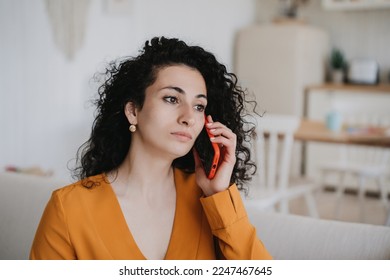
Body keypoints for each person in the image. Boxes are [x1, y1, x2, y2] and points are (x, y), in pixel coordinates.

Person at [29, 37, 272, 260]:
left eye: (199, 106)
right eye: (171, 99)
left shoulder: (208, 199)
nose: (189, 117)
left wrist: (219, 195)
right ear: (133, 111)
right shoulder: (69, 208)